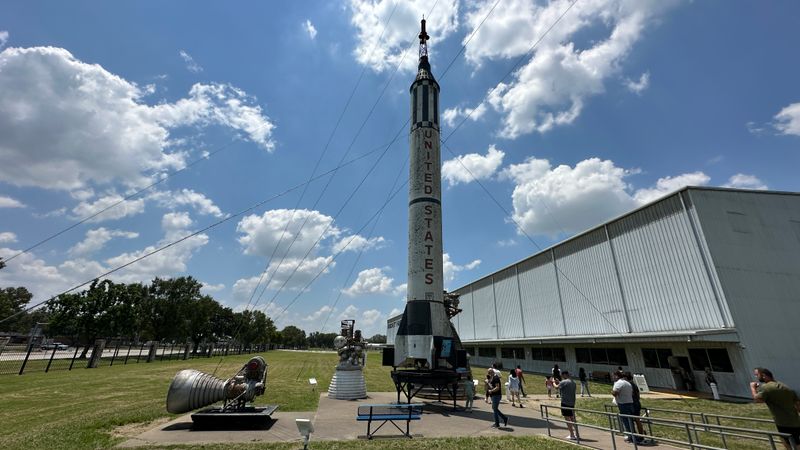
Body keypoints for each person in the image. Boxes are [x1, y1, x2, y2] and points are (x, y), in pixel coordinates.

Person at [751, 367, 800, 450]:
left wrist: (753, 387)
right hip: (795, 421)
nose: (756, 377)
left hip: (783, 423)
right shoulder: (784, 386)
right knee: (797, 443)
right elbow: (798, 406)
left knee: (789, 444)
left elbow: (757, 399)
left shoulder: (766, 388)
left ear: (763, 375)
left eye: (757, 375)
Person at [612, 370, 642, 444]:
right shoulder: (628, 383)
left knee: (627, 422)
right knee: (631, 421)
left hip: (624, 405)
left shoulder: (618, 383)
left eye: (613, 376)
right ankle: (635, 436)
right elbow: (633, 394)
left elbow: (615, 393)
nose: (613, 377)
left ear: (616, 376)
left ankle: (634, 438)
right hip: (630, 403)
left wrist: (612, 392)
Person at [555, 370, 579, 440]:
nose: (561, 377)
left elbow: (556, 387)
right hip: (572, 403)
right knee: (572, 418)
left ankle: (572, 434)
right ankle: (577, 433)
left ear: (564, 375)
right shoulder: (573, 383)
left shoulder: (564, 382)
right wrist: (559, 382)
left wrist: (553, 382)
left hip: (565, 403)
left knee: (567, 419)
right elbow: (563, 386)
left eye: (562, 375)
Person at [624, 372, 647, 440]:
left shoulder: (630, 385)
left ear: (626, 378)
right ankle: (640, 433)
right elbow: (638, 395)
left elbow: (632, 394)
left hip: (634, 404)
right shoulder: (633, 384)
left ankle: (640, 435)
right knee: (635, 420)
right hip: (636, 403)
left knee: (636, 420)